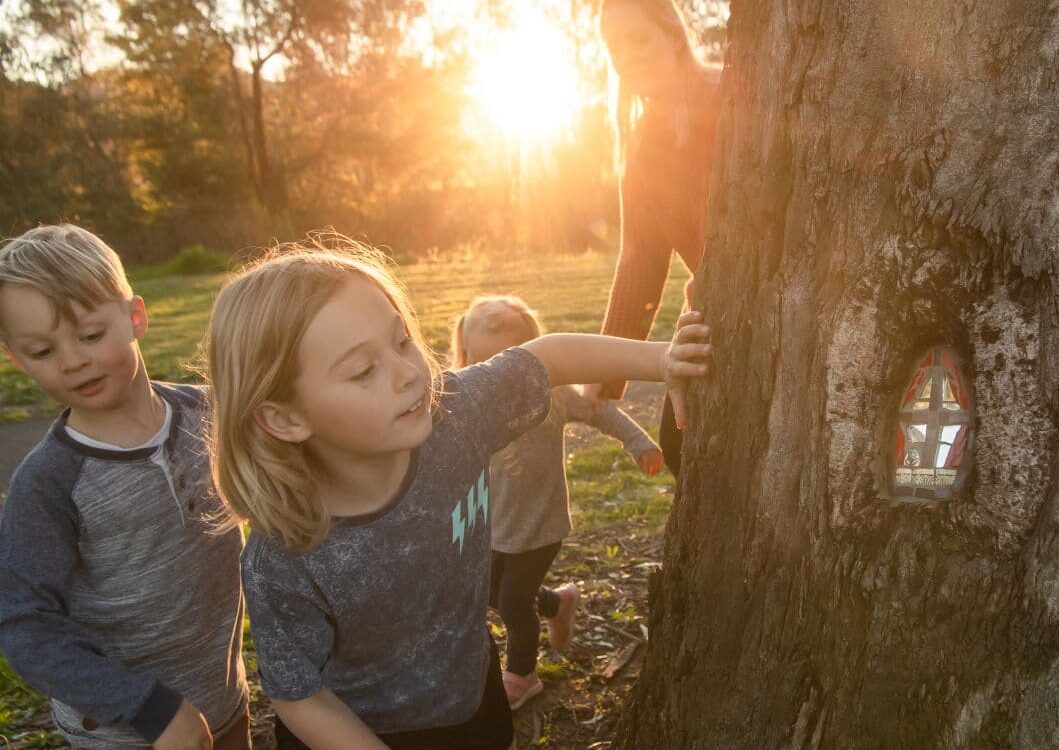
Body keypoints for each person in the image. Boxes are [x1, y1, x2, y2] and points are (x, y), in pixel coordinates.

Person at [206, 235, 709, 750]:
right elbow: (298, 693)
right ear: (285, 418)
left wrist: (662, 359)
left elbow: (548, 357)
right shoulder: (285, 553)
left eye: (402, 341)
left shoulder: (454, 417)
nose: (408, 373)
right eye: (362, 370)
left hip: (475, 690)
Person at [0, 224, 249, 750]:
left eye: (90, 335)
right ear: (17, 358)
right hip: (125, 729)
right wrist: (149, 709)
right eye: (42, 352)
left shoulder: (211, 411)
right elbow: (25, 622)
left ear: (136, 317)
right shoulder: (48, 483)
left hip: (222, 699)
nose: (72, 360)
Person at [449, 294, 664, 709]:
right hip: (493, 523)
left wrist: (639, 443)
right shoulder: (463, 397)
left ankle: (522, 675)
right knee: (488, 591)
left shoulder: (554, 394)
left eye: (511, 366)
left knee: (513, 604)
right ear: (470, 360)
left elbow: (602, 413)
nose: (499, 381)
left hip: (541, 524)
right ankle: (556, 603)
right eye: (486, 367)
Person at [582, 0, 722, 473]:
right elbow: (640, 259)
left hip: (795, 298)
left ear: (673, 33)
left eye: (638, 39)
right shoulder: (643, 148)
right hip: (715, 311)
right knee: (680, 446)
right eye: (614, 46)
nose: (627, 56)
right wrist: (607, 369)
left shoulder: (733, 94)